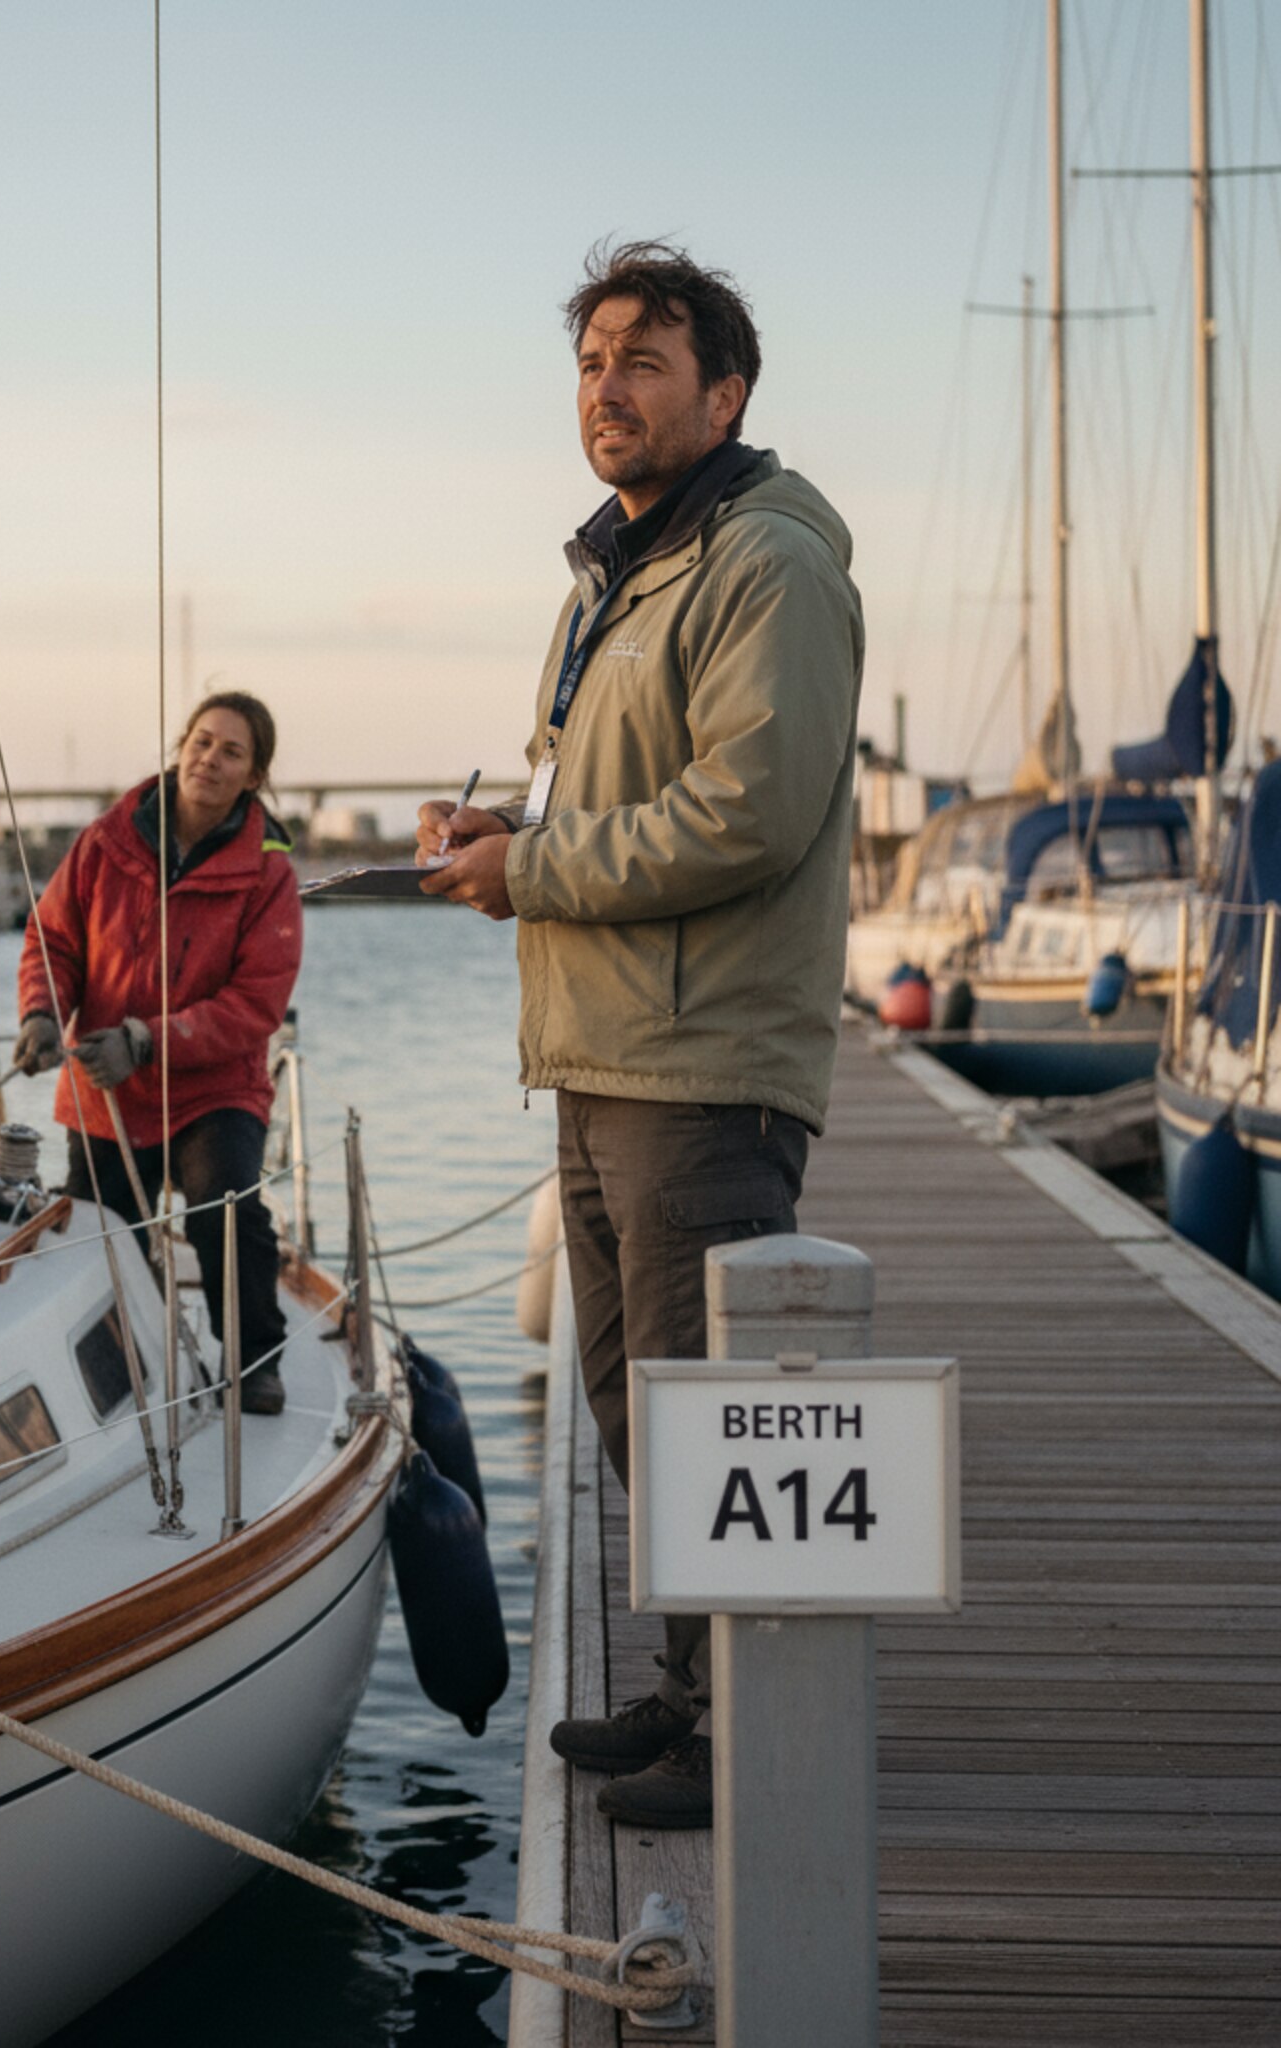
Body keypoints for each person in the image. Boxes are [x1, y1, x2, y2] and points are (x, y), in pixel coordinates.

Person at [418, 240, 864, 1829]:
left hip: (700, 1065)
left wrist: (529, 867)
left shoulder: (769, 560)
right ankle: (697, 1691)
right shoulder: (608, 577)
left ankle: (751, 1741)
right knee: (642, 1411)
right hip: (602, 1056)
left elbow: (745, 810)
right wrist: (503, 824)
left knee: (712, 1412)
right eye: (592, 361)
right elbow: (604, 796)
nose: (607, 387)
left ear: (724, 392)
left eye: (645, 361)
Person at [15, 693, 302, 1415]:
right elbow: (54, 939)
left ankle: (254, 1361)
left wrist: (148, 1039)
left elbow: (254, 1006)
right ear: (181, 747)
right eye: (202, 742)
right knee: (99, 1233)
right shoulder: (105, 841)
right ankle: (122, 1370)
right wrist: (43, 1012)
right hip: (106, 1088)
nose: (210, 759)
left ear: (254, 776)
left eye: (231, 751)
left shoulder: (270, 875)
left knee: (223, 1208)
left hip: (213, 1090)